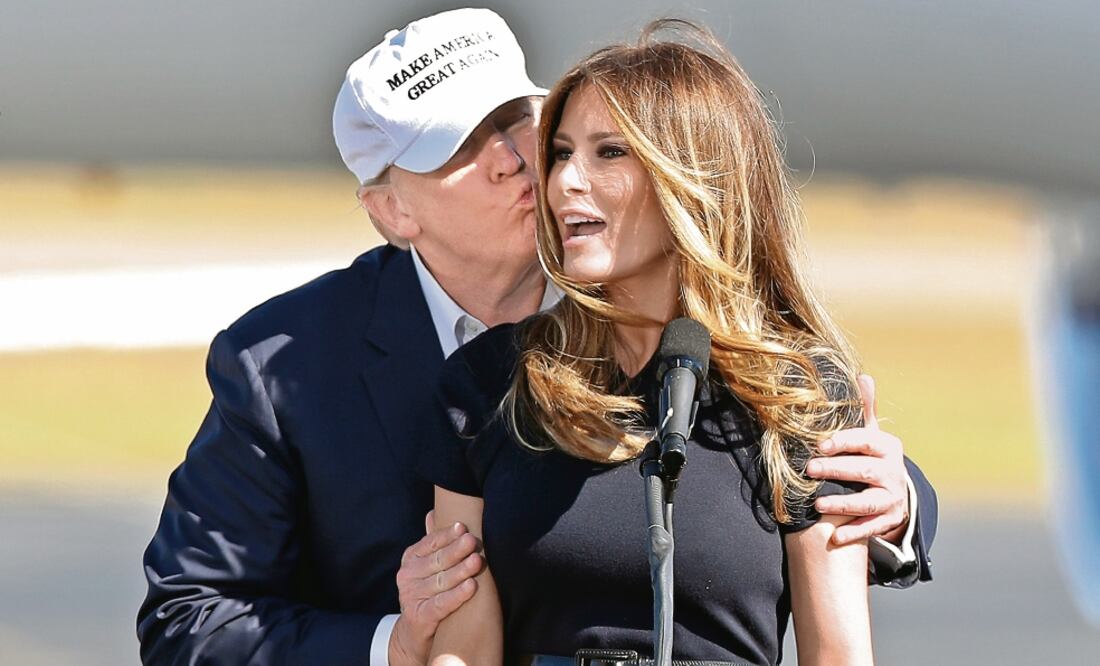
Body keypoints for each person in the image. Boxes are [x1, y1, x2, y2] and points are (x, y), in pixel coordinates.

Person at [138, 9, 933, 665]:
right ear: (393, 213)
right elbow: (188, 621)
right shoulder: (283, 365)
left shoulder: (641, 278)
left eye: (519, 121)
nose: (517, 161)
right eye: (460, 146)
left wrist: (891, 507)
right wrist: (394, 645)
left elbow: (793, 443)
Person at [420, 20, 921, 665]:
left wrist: (902, 505)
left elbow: (839, 654)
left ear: (693, 177)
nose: (566, 181)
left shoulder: (797, 395)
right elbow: (461, 647)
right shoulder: (490, 381)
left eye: (609, 152)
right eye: (563, 153)